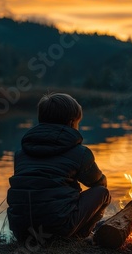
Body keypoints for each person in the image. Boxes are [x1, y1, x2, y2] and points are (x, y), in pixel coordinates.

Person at [7, 93, 110, 243]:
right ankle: (79, 235)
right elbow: (99, 184)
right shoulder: (80, 153)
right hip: (58, 230)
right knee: (103, 193)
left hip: (21, 232)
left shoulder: (20, 154)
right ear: (71, 123)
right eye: (77, 123)